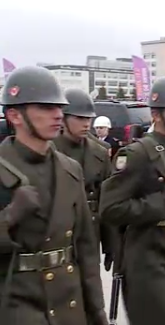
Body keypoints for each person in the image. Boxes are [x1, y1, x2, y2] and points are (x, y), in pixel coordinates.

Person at [0, 66, 108, 324]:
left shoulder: (70, 169)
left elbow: (85, 247)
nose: (58, 114)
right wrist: (10, 216)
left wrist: (96, 311)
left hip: (68, 302)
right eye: (46, 108)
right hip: (15, 301)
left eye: (59, 107)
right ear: (15, 115)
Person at [99, 77, 165, 325]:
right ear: (156, 114)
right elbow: (111, 208)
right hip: (148, 261)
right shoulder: (137, 154)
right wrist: (160, 202)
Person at [52, 88, 115, 270]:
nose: (86, 124)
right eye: (80, 118)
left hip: (89, 231)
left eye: (88, 118)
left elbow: (107, 199)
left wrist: (111, 244)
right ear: (64, 118)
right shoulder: (50, 150)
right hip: (59, 231)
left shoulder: (99, 152)